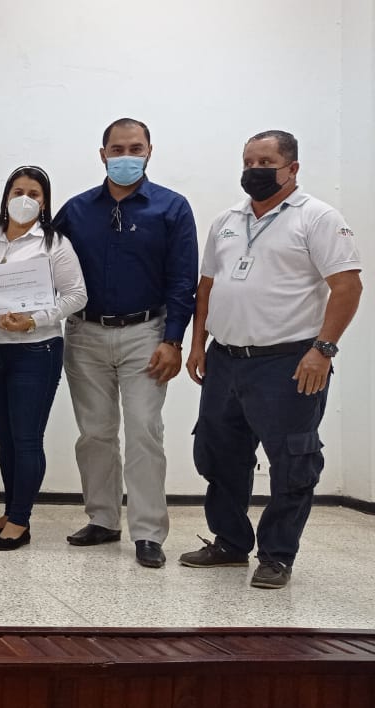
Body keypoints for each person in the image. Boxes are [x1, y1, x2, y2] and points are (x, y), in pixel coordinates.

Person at [180, 130, 362, 589]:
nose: (254, 170)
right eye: (248, 162)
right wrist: (198, 344)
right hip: (225, 360)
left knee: (293, 462)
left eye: (265, 162)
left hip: (289, 362)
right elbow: (207, 287)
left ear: (292, 168)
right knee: (219, 455)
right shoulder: (227, 220)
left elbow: (347, 287)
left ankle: (277, 555)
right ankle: (229, 543)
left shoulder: (317, 217)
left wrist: (323, 350)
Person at [52, 118, 198, 569]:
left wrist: (173, 340)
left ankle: (148, 531)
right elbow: (38, 258)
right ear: (103, 155)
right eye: (117, 149)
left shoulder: (172, 208)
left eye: (135, 148)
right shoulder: (75, 211)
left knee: (144, 430)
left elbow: (183, 280)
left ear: (150, 151)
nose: (126, 156)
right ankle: (103, 519)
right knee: (94, 432)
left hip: (147, 334)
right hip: (85, 334)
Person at [0, 166, 86, 550]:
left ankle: (20, 520)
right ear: (6, 196)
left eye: (34, 193)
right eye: (18, 191)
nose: (24, 199)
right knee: (5, 438)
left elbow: (77, 295)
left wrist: (34, 320)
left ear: (44, 202)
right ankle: (9, 511)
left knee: (27, 438)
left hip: (36, 350)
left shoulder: (55, 244)